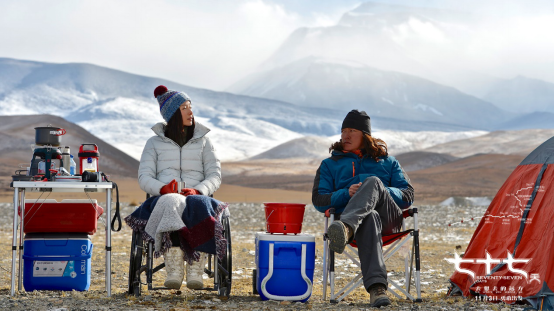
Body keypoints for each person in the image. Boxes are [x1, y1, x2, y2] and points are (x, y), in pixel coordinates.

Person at [312, 110, 414, 308]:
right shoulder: (329, 165)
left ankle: (346, 228)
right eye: (343, 131)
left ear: (365, 135)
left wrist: (378, 190)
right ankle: (377, 288)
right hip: (364, 225)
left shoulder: (389, 162)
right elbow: (319, 200)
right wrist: (346, 193)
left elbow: (408, 195)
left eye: (352, 130)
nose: (345, 136)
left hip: (389, 221)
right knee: (369, 216)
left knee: (373, 182)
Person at [127, 85, 222, 290]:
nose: (190, 112)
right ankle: (174, 269)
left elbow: (215, 175)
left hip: (198, 196)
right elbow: (144, 177)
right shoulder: (153, 143)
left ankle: (196, 268)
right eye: (184, 108)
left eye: (190, 106)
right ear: (173, 114)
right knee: (172, 200)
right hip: (165, 197)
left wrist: (199, 190)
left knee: (198, 202)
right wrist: (162, 189)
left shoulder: (205, 142)